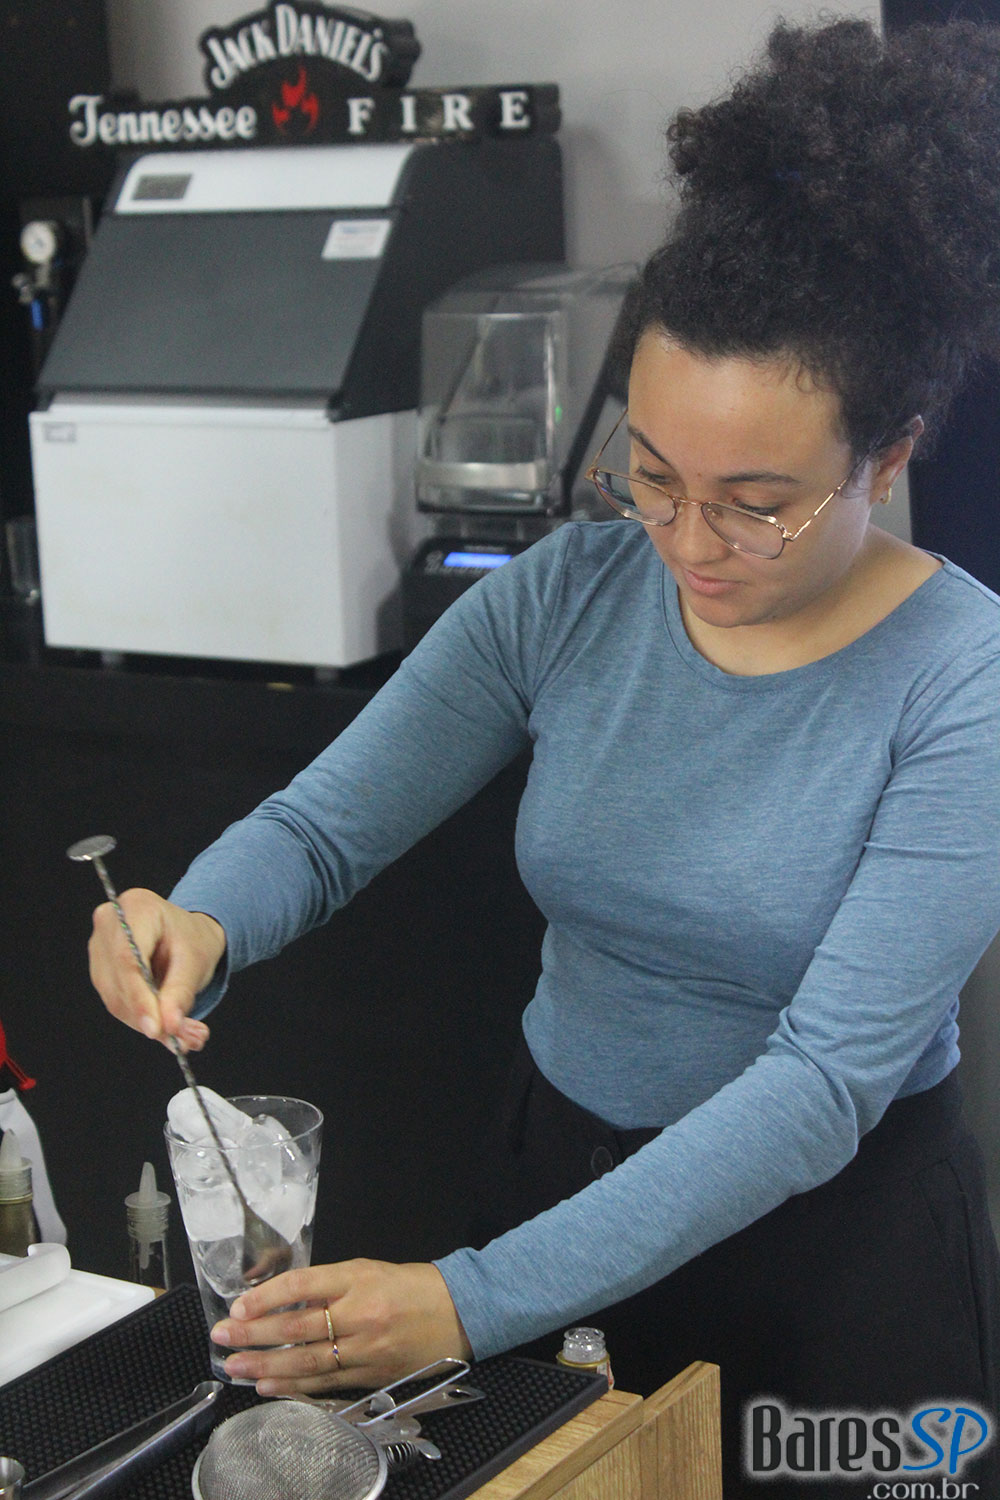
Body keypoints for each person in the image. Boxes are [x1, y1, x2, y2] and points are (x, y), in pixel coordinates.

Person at [86, 18, 1000, 1497]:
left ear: (887, 456)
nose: (689, 541)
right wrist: (197, 916)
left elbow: (821, 1084)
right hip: (552, 1180)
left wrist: (469, 1299)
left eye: (756, 502)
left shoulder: (965, 681)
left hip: (832, 1252)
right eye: (654, 474)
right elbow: (323, 828)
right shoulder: (571, 595)